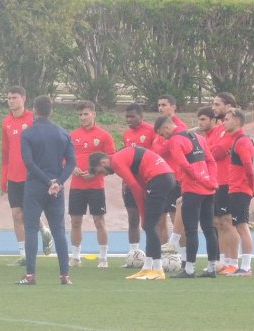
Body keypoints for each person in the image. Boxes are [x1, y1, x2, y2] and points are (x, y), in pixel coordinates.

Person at [89, 146, 176, 280]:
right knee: (149, 226)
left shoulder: (116, 162)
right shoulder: (122, 159)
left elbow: (135, 188)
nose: (104, 175)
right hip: (163, 177)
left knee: (149, 225)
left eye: (100, 171)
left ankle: (158, 270)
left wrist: (142, 214)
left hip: (159, 179)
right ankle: (147, 268)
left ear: (103, 162)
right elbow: (140, 184)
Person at [17, 96, 75, 286]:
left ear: (34, 110)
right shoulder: (63, 133)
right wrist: (58, 182)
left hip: (35, 185)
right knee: (59, 230)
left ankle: (30, 275)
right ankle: (64, 276)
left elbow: (29, 162)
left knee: (31, 230)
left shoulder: (28, 134)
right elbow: (72, 162)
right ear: (51, 111)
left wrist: (47, 181)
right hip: (56, 189)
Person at [155, 114, 218, 278]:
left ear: (166, 127)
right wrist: (211, 180)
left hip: (193, 189)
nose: (163, 137)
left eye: (162, 133)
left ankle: (189, 269)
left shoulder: (175, 141)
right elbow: (211, 161)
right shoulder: (198, 137)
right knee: (209, 229)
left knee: (191, 230)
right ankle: (212, 268)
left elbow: (183, 164)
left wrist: (201, 179)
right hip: (208, 189)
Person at [68, 101, 116, 268]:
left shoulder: (104, 135)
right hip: (76, 186)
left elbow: (112, 162)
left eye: (86, 114)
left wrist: (94, 173)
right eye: (80, 115)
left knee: (99, 221)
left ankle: (103, 258)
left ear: (94, 114)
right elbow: (65, 158)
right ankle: (75, 257)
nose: (83, 117)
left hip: (96, 186)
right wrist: (72, 167)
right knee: (75, 221)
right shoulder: (73, 135)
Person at [0, 86, 35, 265]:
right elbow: (5, 152)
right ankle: (23, 254)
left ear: (23, 98)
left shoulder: (32, 119)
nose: (11, 101)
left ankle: (35, 244)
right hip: (13, 177)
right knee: (16, 215)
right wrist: (3, 177)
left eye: (14, 97)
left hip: (30, 176)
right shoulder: (6, 122)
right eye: (9, 98)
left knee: (29, 216)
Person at [206, 94, 240, 273]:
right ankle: (223, 261)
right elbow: (207, 150)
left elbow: (216, 152)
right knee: (218, 222)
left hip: (227, 181)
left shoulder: (231, 130)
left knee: (228, 222)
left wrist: (210, 150)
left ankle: (233, 262)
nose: (213, 107)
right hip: (215, 181)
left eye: (217, 104)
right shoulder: (218, 129)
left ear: (228, 106)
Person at [120, 102, 156, 265]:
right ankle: (133, 255)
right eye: (127, 117)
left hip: (148, 182)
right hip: (130, 183)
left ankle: (154, 254)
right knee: (133, 218)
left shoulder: (152, 131)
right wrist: (124, 181)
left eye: (132, 116)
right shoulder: (127, 134)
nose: (129, 120)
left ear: (141, 116)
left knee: (151, 220)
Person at [222, 109, 254, 277]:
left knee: (242, 227)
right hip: (236, 189)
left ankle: (246, 267)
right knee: (238, 226)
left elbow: (248, 167)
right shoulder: (238, 140)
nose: (224, 122)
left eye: (227, 119)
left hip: (240, 189)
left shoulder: (242, 142)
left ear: (237, 121)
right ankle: (241, 266)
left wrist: (252, 186)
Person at [153, 95, 186, 250]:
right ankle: (164, 256)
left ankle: (185, 256)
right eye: (159, 105)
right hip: (159, 179)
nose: (160, 108)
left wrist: (161, 146)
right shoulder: (159, 127)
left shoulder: (180, 127)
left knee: (176, 219)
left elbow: (163, 150)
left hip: (175, 179)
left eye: (164, 105)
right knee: (159, 220)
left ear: (173, 107)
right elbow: (156, 150)